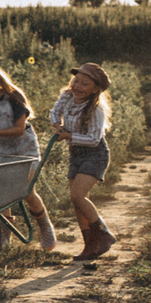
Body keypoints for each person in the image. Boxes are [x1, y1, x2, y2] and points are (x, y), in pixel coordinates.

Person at [0, 59, 57, 252]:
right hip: (3, 148)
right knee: (1, 192)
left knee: (26, 191)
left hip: (25, 146)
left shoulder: (13, 97)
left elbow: (19, 129)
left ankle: (44, 225)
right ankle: (5, 232)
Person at [49, 62, 116, 261]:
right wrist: (57, 125)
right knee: (78, 202)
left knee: (77, 195)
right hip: (76, 154)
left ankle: (104, 234)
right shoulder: (67, 96)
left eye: (84, 84)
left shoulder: (96, 110)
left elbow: (94, 139)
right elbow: (55, 112)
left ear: (95, 89)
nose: (77, 86)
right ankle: (90, 245)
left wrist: (69, 136)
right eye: (76, 80)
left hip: (95, 154)